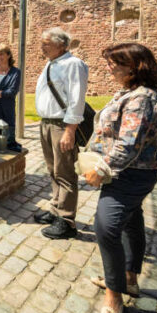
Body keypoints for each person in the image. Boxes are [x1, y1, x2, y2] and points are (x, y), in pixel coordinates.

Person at [84, 43, 157, 313]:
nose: (108, 67)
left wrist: (102, 168)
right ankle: (129, 278)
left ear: (134, 66)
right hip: (129, 172)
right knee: (132, 222)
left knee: (106, 227)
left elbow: (128, 144)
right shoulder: (130, 93)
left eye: (113, 62)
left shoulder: (141, 99)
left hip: (129, 174)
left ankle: (114, 294)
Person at [34, 27, 89, 239]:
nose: (42, 46)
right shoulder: (51, 64)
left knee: (65, 173)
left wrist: (70, 131)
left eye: (46, 43)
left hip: (61, 125)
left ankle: (66, 221)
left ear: (62, 45)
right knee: (53, 170)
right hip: (47, 124)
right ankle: (55, 209)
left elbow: (77, 99)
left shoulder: (73, 65)